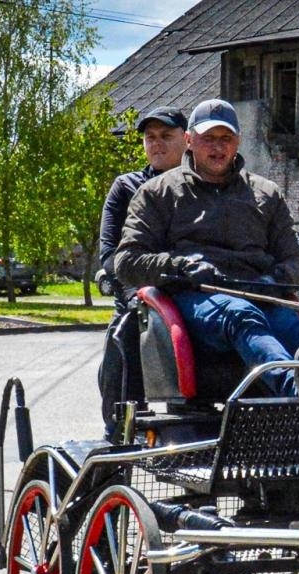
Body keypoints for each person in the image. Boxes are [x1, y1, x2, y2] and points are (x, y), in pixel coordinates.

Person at [113, 98, 299, 398]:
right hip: (196, 300)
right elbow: (127, 260)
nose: (218, 147)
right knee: (242, 316)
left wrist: (273, 280)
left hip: (261, 295)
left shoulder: (266, 193)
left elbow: (298, 262)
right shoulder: (157, 194)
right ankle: (295, 384)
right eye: (208, 138)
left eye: (226, 139)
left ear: (238, 141)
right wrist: (179, 267)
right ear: (189, 140)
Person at [96, 105, 188, 434]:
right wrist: (141, 291)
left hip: (189, 295)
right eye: (150, 137)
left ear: (187, 140)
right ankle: (117, 435)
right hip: (138, 296)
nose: (156, 143)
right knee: (124, 339)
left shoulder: (199, 186)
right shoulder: (126, 187)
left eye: (166, 136)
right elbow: (109, 255)